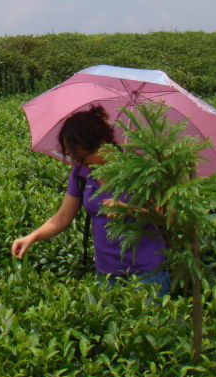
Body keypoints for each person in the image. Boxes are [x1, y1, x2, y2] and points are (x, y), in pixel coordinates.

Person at [11, 105, 169, 295]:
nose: (81, 163)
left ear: (102, 144)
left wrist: (127, 209)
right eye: (76, 158)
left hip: (147, 273)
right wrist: (32, 237)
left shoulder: (136, 168)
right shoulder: (81, 173)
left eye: (84, 157)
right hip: (107, 274)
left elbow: (161, 215)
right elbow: (62, 218)